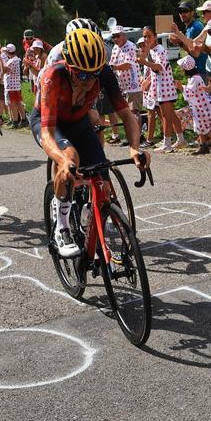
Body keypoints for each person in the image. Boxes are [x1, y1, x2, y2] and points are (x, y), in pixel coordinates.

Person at [32, 28, 147, 258]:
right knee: (71, 158)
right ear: (70, 67)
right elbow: (46, 133)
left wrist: (134, 146)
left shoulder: (102, 73)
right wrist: (63, 160)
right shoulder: (53, 77)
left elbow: (127, 115)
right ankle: (62, 227)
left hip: (79, 119)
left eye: (94, 75)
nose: (89, 81)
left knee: (102, 179)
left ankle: (89, 217)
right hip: (51, 123)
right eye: (83, 76)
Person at [140, 27, 184, 152]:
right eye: (145, 36)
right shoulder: (152, 50)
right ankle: (181, 139)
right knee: (171, 115)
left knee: (166, 116)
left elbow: (160, 67)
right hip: (159, 87)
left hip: (165, 87)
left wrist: (145, 62)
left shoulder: (160, 50)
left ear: (155, 36)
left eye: (149, 36)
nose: (146, 39)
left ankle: (167, 143)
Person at [178, 56, 211, 151]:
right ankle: (203, 145)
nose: (181, 70)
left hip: (201, 107)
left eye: (182, 68)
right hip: (199, 106)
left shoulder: (194, 79)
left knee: (203, 126)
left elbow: (189, 92)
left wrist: (181, 87)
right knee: (199, 125)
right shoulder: (194, 78)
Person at [108, 27, 141, 146]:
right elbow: (111, 64)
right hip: (122, 84)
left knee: (134, 111)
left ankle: (137, 136)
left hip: (133, 83)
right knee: (126, 112)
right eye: (113, 36)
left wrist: (113, 68)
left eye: (118, 35)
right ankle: (131, 136)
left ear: (124, 35)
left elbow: (127, 65)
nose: (115, 39)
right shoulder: (116, 48)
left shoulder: (130, 46)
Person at [3, 44, 26, 127]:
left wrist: (0, 60)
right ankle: (23, 119)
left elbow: (4, 70)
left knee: (12, 104)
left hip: (11, 86)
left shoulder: (12, 60)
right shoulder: (15, 59)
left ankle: (15, 121)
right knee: (18, 103)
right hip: (14, 85)